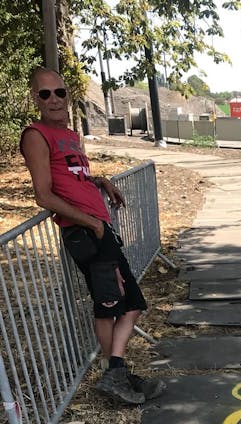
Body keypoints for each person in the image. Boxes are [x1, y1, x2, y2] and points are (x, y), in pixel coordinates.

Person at [20, 67, 165, 405]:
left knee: (132, 303)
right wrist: (91, 223)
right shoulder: (36, 135)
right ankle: (113, 373)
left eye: (59, 92)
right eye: (45, 94)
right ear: (35, 98)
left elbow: (73, 177)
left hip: (98, 226)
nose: (54, 99)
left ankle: (116, 370)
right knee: (111, 305)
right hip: (85, 232)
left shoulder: (69, 135)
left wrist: (100, 181)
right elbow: (44, 194)